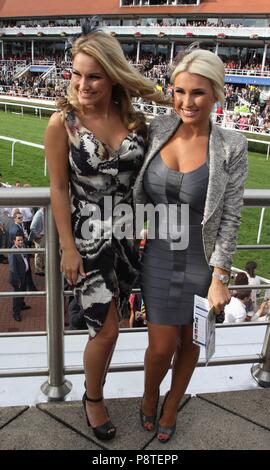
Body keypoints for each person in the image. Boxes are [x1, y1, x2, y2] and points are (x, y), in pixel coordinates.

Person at [44, 19, 167, 441]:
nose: (82, 84)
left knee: (118, 323)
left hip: (128, 238)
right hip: (86, 240)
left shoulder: (135, 121)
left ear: (112, 77)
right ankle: (92, 398)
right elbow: (59, 187)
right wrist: (67, 247)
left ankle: (97, 391)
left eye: (93, 76)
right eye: (76, 74)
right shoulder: (62, 123)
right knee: (107, 328)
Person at [133, 47, 248, 443]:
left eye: (197, 92)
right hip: (159, 255)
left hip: (202, 260)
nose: (185, 101)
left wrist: (220, 276)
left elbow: (231, 216)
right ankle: (150, 394)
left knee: (191, 342)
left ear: (216, 93)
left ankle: (171, 404)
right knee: (161, 347)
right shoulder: (156, 127)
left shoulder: (233, 144)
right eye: (179, 91)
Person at [8, 234, 32, 321]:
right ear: (14, 241)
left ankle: (22, 305)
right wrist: (17, 280)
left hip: (24, 275)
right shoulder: (12, 252)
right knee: (17, 296)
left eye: (22, 240)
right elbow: (12, 268)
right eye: (18, 240)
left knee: (23, 292)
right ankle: (16, 313)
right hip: (18, 278)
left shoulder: (23, 246)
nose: (21, 242)